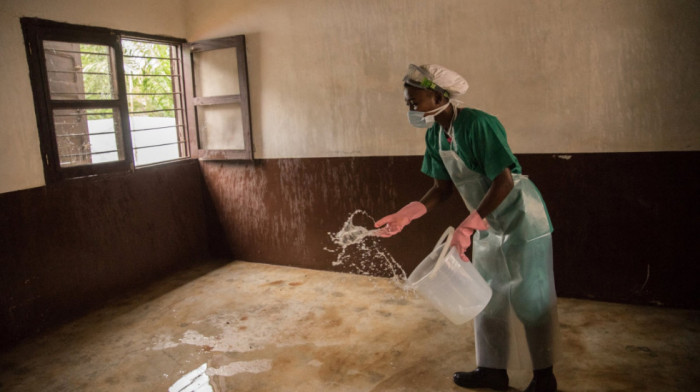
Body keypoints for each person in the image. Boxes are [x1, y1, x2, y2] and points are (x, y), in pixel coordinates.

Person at [375, 64, 560, 392]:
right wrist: (406, 215)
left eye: (414, 101)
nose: (411, 108)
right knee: (487, 296)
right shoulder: (435, 134)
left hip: (520, 217)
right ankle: (492, 371)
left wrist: (468, 226)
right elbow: (441, 189)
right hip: (486, 223)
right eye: (407, 102)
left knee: (532, 298)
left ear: (438, 95)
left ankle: (544, 379)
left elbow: (503, 180)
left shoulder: (478, 123)